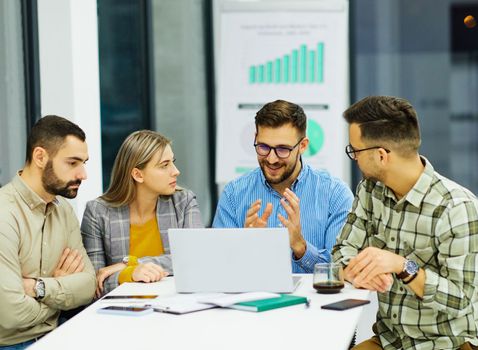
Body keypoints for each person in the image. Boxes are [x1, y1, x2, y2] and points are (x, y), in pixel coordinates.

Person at [333, 96, 478, 350]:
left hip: (446, 343)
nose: (354, 157)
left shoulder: (456, 207)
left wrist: (403, 267)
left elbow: (460, 299)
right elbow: (340, 254)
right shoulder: (370, 191)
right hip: (391, 341)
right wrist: (357, 272)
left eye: (355, 150)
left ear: (381, 155)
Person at [213, 100, 353, 272]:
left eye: (282, 149)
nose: (271, 159)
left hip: (319, 299)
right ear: (255, 139)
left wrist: (300, 246)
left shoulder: (335, 195)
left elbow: (340, 270)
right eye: (263, 147)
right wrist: (246, 246)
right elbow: (219, 269)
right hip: (253, 299)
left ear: (302, 146)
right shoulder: (234, 195)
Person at [0, 116, 96, 349]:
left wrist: (39, 287)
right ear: (40, 157)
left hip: (58, 336)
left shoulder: (64, 212)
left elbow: (88, 286)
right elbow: (10, 313)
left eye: (84, 163)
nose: (83, 174)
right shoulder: (5, 214)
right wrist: (61, 291)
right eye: (73, 163)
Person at [81, 130, 203, 297]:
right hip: (122, 314)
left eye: (172, 162)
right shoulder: (98, 212)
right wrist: (131, 273)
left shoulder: (183, 202)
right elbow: (94, 283)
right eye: (164, 165)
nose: (175, 171)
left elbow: (196, 258)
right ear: (138, 175)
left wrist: (131, 264)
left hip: (175, 306)